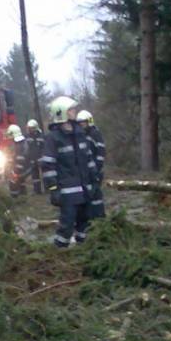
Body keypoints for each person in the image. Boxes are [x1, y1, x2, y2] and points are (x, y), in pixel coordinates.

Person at [41, 97, 99, 247]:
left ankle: (83, 250)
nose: (75, 112)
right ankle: (59, 253)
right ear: (62, 113)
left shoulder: (80, 133)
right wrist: (53, 189)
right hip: (67, 192)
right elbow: (48, 166)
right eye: (71, 110)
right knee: (67, 225)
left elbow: (88, 158)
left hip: (85, 188)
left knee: (85, 224)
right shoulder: (53, 138)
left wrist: (94, 178)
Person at [76, 110, 106, 218]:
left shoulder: (95, 134)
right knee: (87, 195)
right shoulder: (80, 135)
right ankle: (90, 218)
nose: (81, 125)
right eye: (79, 123)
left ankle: (100, 218)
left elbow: (101, 153)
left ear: (89, 121)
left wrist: (96, 169)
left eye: (83, 122)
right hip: (85, 171)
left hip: (95, 170)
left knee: (96, 194)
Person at [5, 124, 30, 198]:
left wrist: (14, 171)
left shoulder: (18, 145)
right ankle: (23, 196)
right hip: (22, 169)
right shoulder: (22, 143)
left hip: (18, 169)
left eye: (10, 135)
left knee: (14, 182)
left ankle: (15, 197)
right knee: (21, 182)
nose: (10, 137)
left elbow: (19, 159)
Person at [25, 119, 45, 194]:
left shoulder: (41, 136)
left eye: (31, 128)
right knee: (35, 177)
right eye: (29, 128)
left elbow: (45, 147)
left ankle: (48, 189)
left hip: (41, 159)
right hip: (32, 159)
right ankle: (37, 190)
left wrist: (43, 157)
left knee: (45, 175)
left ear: (35, 127)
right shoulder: (27, 137)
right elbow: (27, 149)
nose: (30, 130)